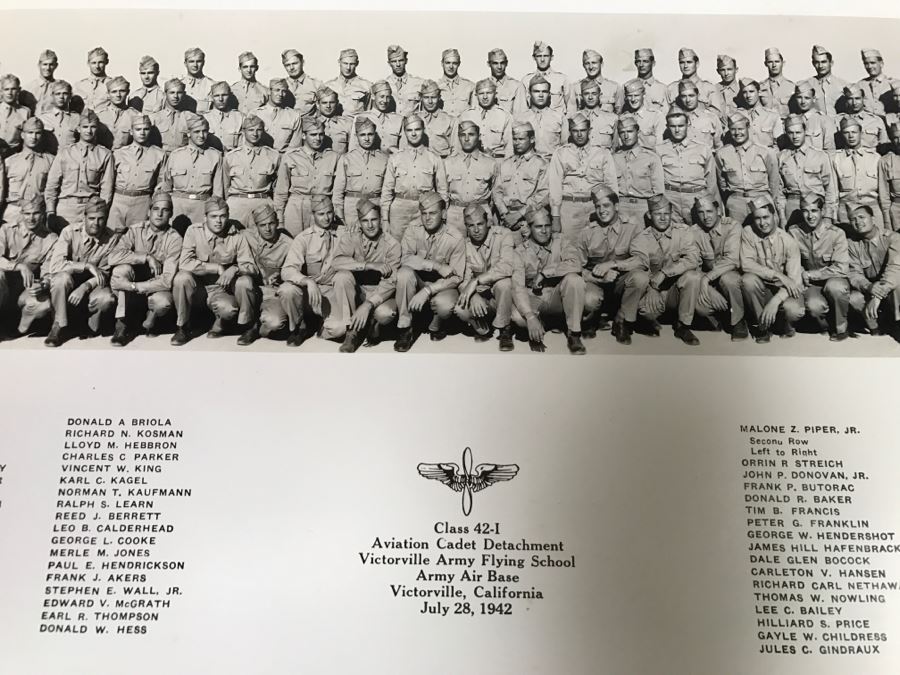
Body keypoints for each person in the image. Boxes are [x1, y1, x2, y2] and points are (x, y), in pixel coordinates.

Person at [170, 197, 256, 346]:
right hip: (198, 289)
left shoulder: (236, 235)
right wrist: (216, 267)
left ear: (228, 216)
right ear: (205, 218)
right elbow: (184, 263)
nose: (218, 221)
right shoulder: (194, 232)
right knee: (181, 278)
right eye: (214, 216)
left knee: (236, 296)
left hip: (220, 290)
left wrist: (235, 268)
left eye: (222, 216)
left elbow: (251, 267)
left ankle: (246, 327)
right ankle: (182, 327)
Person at [620, 194, 703, 345]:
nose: (663, 218)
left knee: (693, 277)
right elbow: (640, 267)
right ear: (649, 215)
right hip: (652, 290)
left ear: (671, 214)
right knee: (648, 312)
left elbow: (692, 259)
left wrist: (664, 273)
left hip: (674, 290)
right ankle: (633, 322)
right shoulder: (641, 238)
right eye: (658, 214)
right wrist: (652, 288)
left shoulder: (683, 232)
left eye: (667, 214)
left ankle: (683, 326)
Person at [393, 192, 465, 351]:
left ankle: (438, 323)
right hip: (418, 282)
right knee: (403, 273)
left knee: (444, 305)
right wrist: (436, 266)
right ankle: (405, 327)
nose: (427, 218)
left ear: (444, 214)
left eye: (432, 213)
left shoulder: (455, 238)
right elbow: (404, 258)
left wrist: (428, 290)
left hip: (441, 287)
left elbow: (457, 277)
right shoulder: (413, 229)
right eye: (424, 213)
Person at [107, 191, 183, 344]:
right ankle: (121, 323)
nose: (159, 214)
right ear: (149, 212)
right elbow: (113, 257)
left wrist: (133, 286)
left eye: (165, 210)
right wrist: (145, 257)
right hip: (134, 283)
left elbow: (167, 280)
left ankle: (152, 319)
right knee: (121, 270)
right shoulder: (136, 230)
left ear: (171, 214)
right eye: (156, 209)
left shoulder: (175, 239)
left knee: (162, 302)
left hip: (156, 287)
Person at [509, 205, 586, 354]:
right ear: (529, 228)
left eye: (547, 226)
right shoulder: (519, 251)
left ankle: (574, 333)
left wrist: (545, 273)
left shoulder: (561, 240)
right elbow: (517, 287)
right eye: (538, 227)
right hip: (534, 298)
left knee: (574, 279)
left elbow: (576, 263)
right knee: (519, 317)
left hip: (557, 296)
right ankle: (541, 323)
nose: (544, 231)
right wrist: (530, 316)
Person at [45, 196, 119, 346]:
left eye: (100, 219)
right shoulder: (69, 232)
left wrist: (84, 287)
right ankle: (58, 325)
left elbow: (104, 273)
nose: (96, 223)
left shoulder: (112, 239)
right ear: (84, 217)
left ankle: (90, 326)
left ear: (106, 219)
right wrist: (86, 266)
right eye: (91, 218)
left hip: (93, 285)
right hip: (69, 282)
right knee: (60, 279)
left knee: (106, 298)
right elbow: (56, 266)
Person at [329, 199, 401, 351]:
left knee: (385, 313)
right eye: (365, 221)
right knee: (342, 277)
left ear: (381, 220)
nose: (370, 225)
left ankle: (374, 324)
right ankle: (351, 332)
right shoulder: (351, 237)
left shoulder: (392, 244)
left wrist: (368, 304)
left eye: (374, 219)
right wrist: (367, 265)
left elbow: (391, 282)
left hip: (380, 295)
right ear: (359, 223)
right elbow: (336, 263)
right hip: (356, 293)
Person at [574, 185, 643, 343]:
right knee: (589, 299)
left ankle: (621, 321)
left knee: (640, 277)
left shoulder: (632, 228)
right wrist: (598, 278)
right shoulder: (587, 232)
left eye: (606, 205)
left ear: (616, 206)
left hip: (620, 282)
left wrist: (612, 264)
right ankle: (592, 318)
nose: (601, 210)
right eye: (598, 206)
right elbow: (578, 268)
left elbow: (641, 259)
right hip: (596, 282)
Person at [278, 194, 343, 346]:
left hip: (331, 292)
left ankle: (320, 325)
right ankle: (299, 326)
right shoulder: (303, 238)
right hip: (309, 292)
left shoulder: (344, 233)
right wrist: (307, 281)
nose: (326, 218)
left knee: (339, 329)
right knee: (287, 289)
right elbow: (287, 270)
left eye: (329, 213)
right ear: (313, 215)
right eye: (321, 214)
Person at [739, 195, 805, 342]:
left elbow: (794, 281)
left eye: (766, 217)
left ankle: (784, 324)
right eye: (757, 218)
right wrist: (777, 274)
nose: (762, 223)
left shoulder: (788, 241)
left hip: (783, 290)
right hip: (762, 288)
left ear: (774, 215)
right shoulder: (748, 232)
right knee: (748, 280)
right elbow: (746, 264)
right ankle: (763, 326)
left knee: (793, 310)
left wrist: (775, 302)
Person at [787, 193, 851, 340]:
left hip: (834, 279)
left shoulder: (836, 233)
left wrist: (811, 274)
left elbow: (841, 268)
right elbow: (791, 261)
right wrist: (802, 272)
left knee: (835, 287)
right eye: (805, 211)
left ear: (822, 211)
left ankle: (841, 328)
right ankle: (825, 325)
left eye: (814, 211)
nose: (810, 216)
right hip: (810, 284)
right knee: (814, 306)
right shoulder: (794, 232)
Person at [453, 204, 516, 350]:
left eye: (480, 224)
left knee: (504, 283)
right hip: (482, 297)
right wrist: (473, 296)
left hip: (502, 296)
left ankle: (505, 329)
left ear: (488, 222)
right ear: (466, 227)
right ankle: (483, 326)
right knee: (460, 309)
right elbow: (461, 278)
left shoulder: (503, 234)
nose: (476, 230)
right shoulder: (463, 244)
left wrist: (477, 281)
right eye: (471, 226)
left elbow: (507, 266)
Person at [548, 113, 618, 242]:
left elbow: (611, 185)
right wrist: (556, 217)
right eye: (575, 131)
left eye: (583, 130)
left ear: (589, 131)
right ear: (570, 132)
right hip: (569, 209)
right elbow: (555, 188)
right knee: (569, 247)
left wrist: (612, 213)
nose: (579, 135)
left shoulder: (602, 153)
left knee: (597, 246)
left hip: (595, 208)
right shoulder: (560, 154)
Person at [381, 115, 449, 241]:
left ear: (423, 130)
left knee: (423, 245)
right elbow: (386, 191)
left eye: (417, 129)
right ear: (404, 132)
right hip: (399, 210)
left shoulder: (434, 158)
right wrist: (385, 219)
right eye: (409, 130)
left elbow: (442, 191)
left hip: (424, 208)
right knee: (396, 245)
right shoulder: (395, 158)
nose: (413, 134)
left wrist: (442, 217)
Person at [44, 111, 114, 233]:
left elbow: (106, 189)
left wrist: (100, 211)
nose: (89, 131)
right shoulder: (65, 152)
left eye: (93, 127)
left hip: (91, 209)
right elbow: (52, 185)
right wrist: (51, 212)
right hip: (66, 208)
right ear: (78, 129)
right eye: (85, 127)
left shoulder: (105, 154)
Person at [689, 195, 747, 340]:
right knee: (701, 307)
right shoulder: (693, 232)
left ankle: (739, 320)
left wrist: (707, 278)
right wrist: (708, 287)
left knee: (728, 279)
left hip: (731, 275)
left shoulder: (732, 226)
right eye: (701, 212)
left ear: (719, 211)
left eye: (709, 211)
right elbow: (694, 266)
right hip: (709, 280)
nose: (706, 217)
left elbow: (732, 260)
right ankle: (720, 317)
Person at [235, 202, 293, 345]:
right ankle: (250, 327)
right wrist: (233, 268)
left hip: (272, 293)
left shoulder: (288, 244)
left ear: (277, 223)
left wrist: (281, 275)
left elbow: (294, 271)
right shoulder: (245, 236)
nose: (267, 229)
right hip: (251, 291)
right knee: (242, 282)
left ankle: (260, 324)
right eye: (262, 225)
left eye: (271, 224)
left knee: (275, 323)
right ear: (256, 226)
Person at [0, 195, 57, 337]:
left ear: (43, 214)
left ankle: (19, 328)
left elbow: (49, 271)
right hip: (3, 286)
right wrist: (19, 266)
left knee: (43, 305)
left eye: (36, 213)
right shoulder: (7, 230)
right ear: (21, 213)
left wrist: (43, 284)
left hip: (25, 289)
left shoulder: (50, 239)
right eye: (27, 213)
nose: (31, 218)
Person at [158, 114, 225, 235]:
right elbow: (166, 188)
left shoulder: (215, 156)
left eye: (205, 131)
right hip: (178, 206)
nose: (201, 135)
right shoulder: (175, 155)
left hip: (201, 206)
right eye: (197, 131)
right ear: (189, 133)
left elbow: (218, 192)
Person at [274, 117, 339, 236]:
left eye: (321, 134)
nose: (318, 138)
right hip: (296, 208)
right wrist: (280, 219)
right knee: (293, 242)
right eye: (313, 135)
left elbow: (337, 192)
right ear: (304, 135)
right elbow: (281, 191)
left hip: (322, 208)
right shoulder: (291, 157)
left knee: (320, 242)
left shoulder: (333, 157)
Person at [715, 112, 782, 225]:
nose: (737, 133)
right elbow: (722, 184)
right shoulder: (722, 154)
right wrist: (731, 201)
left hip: (762, 201)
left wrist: (771, 202)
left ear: (748, 128)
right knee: (736, 233)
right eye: (733, 129)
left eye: (740, 129)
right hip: (736, 205)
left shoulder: (765, 152)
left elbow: (774, 183)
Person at [846, 203, 900, 335]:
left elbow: (895, 268)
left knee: (897, 286)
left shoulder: (893, 238)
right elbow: (854, 273)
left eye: (861, 217)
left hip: (889, 287)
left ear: (873, 218)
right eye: (853, 219)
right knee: (854, 298)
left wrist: (877, 295)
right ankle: (875, 326)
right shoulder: (851, 244)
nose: (858, 222)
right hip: (870, 289)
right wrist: (869, 287)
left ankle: (898, 324)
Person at [656, 110, 717, 225]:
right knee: (673, 232)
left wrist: (709, 203)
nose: (677, 130)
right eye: (673, 126)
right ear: (667, 127)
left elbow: (711, 182)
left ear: (688, 125)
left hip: (696, 198)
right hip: (670, 198)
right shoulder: (659, 149)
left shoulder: (703, 149)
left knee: (697, 232)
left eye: (681, 126)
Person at [491, 121, 549, 242]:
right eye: (515, 139)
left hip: (529, 219)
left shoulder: (541, 164)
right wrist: (505, 214)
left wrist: (518, 215)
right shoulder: (505, 164)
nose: (517, 143)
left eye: (521, 139)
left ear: (532, 139)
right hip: (506, 220)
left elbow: (543, 195)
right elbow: (497, 192)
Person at [776, 114, 837, 228]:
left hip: (815, 205)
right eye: (790, 133)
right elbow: (779, 192)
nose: (795, 136)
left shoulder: (820, 156)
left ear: (805, 131)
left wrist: (828, 216)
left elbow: (830, 189)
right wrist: (782, 216)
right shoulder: (781, 157)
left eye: (798, 132)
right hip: (792, 206)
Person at [109, 114, 165, 233]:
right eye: (138, 129)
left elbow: (161, 184)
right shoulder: (119, 153)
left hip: (142, 202)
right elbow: (108, 182)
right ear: (131, 131)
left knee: (138, 237)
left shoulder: (159, 155)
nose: (142, 133)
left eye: (146, 129)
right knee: (112, 237)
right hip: (118, 200)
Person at [223, 114, 281, 230]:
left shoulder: (273, 156)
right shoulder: (231, 156)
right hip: (237, 205)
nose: (255, 134)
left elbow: (278, 187)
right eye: (251, 130)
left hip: (262, 203)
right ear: (243, 132)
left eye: (259, 130)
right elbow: (225, 186)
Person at [333, 116, 388, 230]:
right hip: (352, 209)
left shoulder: (384, 159)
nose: (367, 138)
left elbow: (386, 192)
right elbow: (338, 192)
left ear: (374, 135)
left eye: (370, 134)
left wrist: (384, 217)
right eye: (363, 135)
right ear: (356, 135)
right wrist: (340, 217)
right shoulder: (346, 159)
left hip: (375, 207)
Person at [443, 121, 497, 236]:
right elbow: (443, 192)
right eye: (463, 135)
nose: (466, 139)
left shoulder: (490, 163)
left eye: (471, 134)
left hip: (481, 213)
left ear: (479, 136)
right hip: (455, 216)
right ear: (458, 137)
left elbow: (495, 194)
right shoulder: (448, 162)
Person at [832, 116, 884, 230]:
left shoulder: (875, 158)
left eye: (854, 132)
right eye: (846, 133)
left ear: (861, 133)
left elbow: (883, 192)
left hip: (872, 209)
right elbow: (833, 192)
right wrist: (834, 216)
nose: (851, 136)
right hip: (846, 211)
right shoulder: (836, 158)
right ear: (842, 135)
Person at [612, 115, 664, 225]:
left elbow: (659, 192)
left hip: (644, 207)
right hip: (621, 207)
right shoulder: (614, 158)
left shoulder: (651, 158)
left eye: (630, 131)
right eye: (622, 132)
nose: (626, 136)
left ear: (638, 132)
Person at [2, 117, 53, 225]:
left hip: (37, 214)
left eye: (38, 133)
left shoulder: (50, 161)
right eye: (30, 133)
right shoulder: (9, 162)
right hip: (13, 213)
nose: (34, 137)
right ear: (22, 135)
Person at [456, 79, 513, 160]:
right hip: (472, 160)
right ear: (476, 95)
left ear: (495, 94)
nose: (485, 97)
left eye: (489, 93)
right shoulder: (466, 115)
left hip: (497, 160)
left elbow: (510, 148)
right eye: (481, 93)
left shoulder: (505, 115)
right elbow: (458, 145)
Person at [514, 75, 567, 160]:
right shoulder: (521, 119)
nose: (541, 95)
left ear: (549, 94)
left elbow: (565, 148)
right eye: (536, 91)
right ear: (529, 93)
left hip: (552, 164)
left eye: (544, 91)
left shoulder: (559, 117)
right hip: (528, 164)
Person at [522, 42, 574, 116]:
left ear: (551, 57)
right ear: (534, 57)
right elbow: (522, 109)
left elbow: (571, 109)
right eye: (539, 56)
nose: (542, 59)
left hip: (558, 121)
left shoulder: (562, 79)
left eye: (546, 56)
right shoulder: (526, 80)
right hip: (534, 121)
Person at [351, 81, 404, 153]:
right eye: (382, 97)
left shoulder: (399, 120)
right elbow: (353, 149)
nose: (385, 101)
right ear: (373, 96)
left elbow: (404, 150)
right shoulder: (361, 117)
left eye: (388, 97)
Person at [666, 48, 723, 114]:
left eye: (689, 62)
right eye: (682, 62)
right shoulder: (671, 89)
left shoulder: (709, 89)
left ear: (697, 63)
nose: (685, 66)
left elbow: (718, 115)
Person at [673, 79, 724, 150]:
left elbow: (719, 147)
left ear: (698, 95)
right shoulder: (676, 119)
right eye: (684, 96)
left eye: (691, 96)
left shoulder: (711, 117)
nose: (688, 100)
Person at [254, 79, 302, 152]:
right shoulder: (256, 114)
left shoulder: (294, 116)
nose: (280, 94)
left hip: (284, 157)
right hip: (261, 156)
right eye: (277, 90)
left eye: (284, 91)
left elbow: (295, 147)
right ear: (269, 91)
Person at [836, 84, 888, 150]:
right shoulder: (837, 120)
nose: (854, 103)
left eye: (857, 98)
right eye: (850, 99)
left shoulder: (876, 120)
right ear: (845, 100)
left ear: (863, 99)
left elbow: (884, 145)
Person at [324, 48, 372, 117]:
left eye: (352, 64)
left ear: (357, 64)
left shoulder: (366, 86)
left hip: (355, 123)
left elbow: (370, 113)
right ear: (339, 62)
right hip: (334, 123)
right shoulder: (329, 86)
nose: (348, 68)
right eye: (345, 63)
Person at [791, 80, 837, 152]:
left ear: (814, 99)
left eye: (807, 98)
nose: (803, 101)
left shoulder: (824, 120)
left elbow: (830, 151)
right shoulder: (792, 120)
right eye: (799, 97)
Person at [737, 78, 783, 148]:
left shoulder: (773, 116)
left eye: (751, 91)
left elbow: (778, 145)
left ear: (759, 92)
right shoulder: (738, 115)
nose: (748, 95)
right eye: (744, 92)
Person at [96, 76, 138, 150]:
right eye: (114, 92)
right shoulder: (99, 115)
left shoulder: (135, 116)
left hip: (125, 156)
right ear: (108, 94)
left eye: (122, 91)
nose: (118, 95)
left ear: (128, 92)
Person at [619, 79, 665, 148]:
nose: (633, 99)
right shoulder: (622, 118)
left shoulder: (655, 116)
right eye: (630, 96)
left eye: (636, 95)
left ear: (643, 95)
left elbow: (660, 144)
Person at [149, 79, 191, 153]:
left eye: (179, 93)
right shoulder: (154, 118)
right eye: (172, 92)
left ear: (184, 94)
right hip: (160, 156)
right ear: (165, 94)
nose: (175, 96)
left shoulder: (190, 118)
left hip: (182, 157)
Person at [38, 80, 79, 155]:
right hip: (50, 158)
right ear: (52, 96)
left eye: (65, 93)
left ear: (70, 96)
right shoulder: (43, 119)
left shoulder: (77, 118)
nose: (61, 97)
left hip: (71, 158)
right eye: (58, 94)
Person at [415, 80, 455, 158]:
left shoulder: (450, 120)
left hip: (443, 162)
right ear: (421, 98)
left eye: (433, 97)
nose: (430, 101)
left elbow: (455, 152)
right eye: (426, 97)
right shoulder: (414, 119)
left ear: (439, 97)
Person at [576, 79, 618, 151]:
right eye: (586, 94)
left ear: (600, 95)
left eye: (594, 93)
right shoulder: (574, 118)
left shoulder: (612, 118)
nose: (590, 97)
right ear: (581, 96)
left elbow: (616, 147)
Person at [204, 81, 245, 153]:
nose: (220, 99)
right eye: (217, 96)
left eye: (224, 95)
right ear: (211, 97)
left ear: (230, 95)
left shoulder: (240, 118)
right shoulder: (205, 118)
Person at [576, 49, 621, 114]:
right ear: (583, 66)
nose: (591, 67)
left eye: (594, 63)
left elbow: (620, 114)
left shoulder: (614, 87)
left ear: (601, 64)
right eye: (587, 63)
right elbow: (572, 114)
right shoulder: (576, 87)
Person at [384, 45, 423, 118]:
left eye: (401, 60)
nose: (398, 64)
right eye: (394, 61)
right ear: (389, 63)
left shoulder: (419, 83)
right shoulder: (384, 84)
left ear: (406, 61)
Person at [486, 48, 527, 116]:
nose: (499, 67)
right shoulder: (481, 87)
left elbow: (521, 116)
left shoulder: (517, 86)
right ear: (488, 64)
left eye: (502, 63)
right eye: (495, 63)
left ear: (506, 63)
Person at [280, 49, 321, 117]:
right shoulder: (280, 85)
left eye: (295, 63)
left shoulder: (316, 85)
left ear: (303, 62)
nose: (291, 68)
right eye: (287, 65)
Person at [0, 75, 33, 158]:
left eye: (13, 89)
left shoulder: (25, 112)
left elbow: (27, 137)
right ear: (1, 91)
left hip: (14, 155)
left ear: (19, 90)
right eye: (6, 89)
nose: (10, 93)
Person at [315, 86, 353, 155]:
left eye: (332, 102)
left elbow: (353, 151)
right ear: (317, 104)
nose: (328, 106)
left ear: (337, 103)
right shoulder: (311, 123)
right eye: (324, 103)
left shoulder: (347, 124)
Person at [437, 48, 475, 118]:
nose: (451, 66)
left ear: (459, 64)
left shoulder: (470, 86)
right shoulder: (436, 87)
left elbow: (475, 113)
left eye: (454, 63)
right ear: (442, 63)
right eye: (447, 63)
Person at [759, 47, 795, 120]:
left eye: (777, 61)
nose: (774, 65)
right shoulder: (760, 87)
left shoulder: (792, 87)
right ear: (765, 64)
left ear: (783, 63)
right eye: (770, 62)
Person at [72, 46, 110, 114]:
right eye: (94, 63)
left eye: (100, 62)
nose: (97, 66)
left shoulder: (113, 84)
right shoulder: (78, 86)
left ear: (107, 62)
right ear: (88, 63)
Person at [22, 49, 60, 115]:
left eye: (51, 64)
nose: (48, 68)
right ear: (39, 65)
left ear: (56, 66)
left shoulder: (60, 88)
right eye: (45, 64)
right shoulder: (28, 89)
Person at [857, 48, 892, 117]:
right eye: (866, 63)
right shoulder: (860, 85)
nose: (869, 66)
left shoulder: (892, 84)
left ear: (881, 63)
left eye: (873, 63)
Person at [878, 122, 900, 231]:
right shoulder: (885, 161)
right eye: (896, 138)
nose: (899, 141)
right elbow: (884, 195)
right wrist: (887, 220)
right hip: (897, 210)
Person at [181, 47, 216, 115]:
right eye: (191, 61)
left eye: (198, 61)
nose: (195, 65)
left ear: (203, 63)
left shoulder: (212, 85)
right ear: (185, 63)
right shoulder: (178, 85)